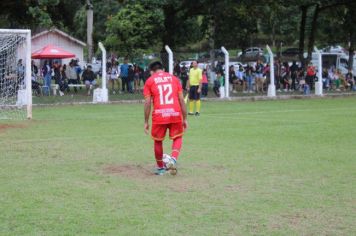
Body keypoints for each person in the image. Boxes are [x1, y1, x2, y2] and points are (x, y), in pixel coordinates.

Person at [143, 61, 188, 175]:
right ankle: (173, 159)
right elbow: (182, 100)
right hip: (175, 113)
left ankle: (160, 168)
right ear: (163, 69)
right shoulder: (174, 79)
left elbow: (147, 103)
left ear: (152, 71)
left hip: (159, 115)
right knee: (178, 137)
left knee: (158, 141)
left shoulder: (150, 81)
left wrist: (146, 121)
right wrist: (185, 118)